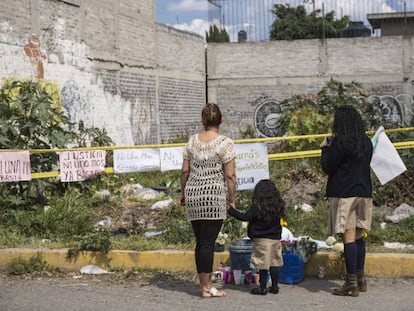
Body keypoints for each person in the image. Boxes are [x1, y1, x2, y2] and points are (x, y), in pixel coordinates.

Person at [180, 103, 236, 298]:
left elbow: (185, 170)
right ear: (221, 120)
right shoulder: (225, 143)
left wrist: (183, 193)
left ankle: (203, 284)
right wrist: (232, 200)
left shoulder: (191, 141)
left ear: (203, 120)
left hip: (194, 194)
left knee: (200, 242)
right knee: (208, 243)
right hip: (213, 196)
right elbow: (230, 176)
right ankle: (207, 286)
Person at [320, 105, 373, 297]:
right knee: (359, 236)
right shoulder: (366, 142)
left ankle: (350, 282)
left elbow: (327, 166)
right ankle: (361, 278)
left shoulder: (341, 143)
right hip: (364, 193)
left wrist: (325, 149)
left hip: (345, 194)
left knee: (348, 238)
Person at [227, 179, 286, 295]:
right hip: (275, 239)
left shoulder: (257, 206)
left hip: (262, 240)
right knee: (275, 263)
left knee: (262, 265)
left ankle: (262, 287)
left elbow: (245, 217)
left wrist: (231, 211)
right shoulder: (278, 205)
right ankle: (274, 286)